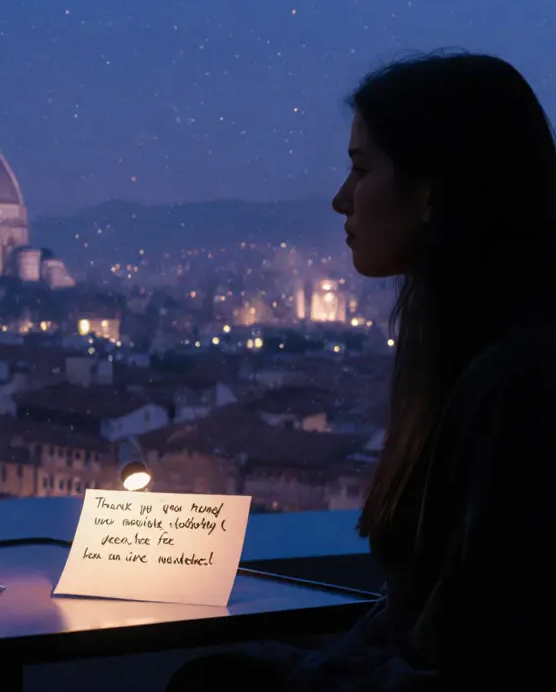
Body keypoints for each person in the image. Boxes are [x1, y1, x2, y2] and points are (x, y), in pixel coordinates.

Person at [169, 51, 553, 690]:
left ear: (431, 192)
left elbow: (482, 660)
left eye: (361, 169)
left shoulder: (516, 385)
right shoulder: (482, 361)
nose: (340, 199)